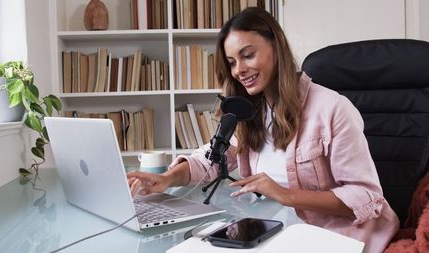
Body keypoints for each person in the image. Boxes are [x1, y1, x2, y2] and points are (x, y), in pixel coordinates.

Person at [127, 7, 399, 253]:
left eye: (248, 55)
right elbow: (210, 156)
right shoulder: (248, 112)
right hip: (271, 230)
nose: (239, 71)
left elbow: (367, 196)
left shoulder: (333, 109)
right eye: (232, 62)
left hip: (334, 234)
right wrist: (168, 178)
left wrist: (285, 194)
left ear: (276, 46)